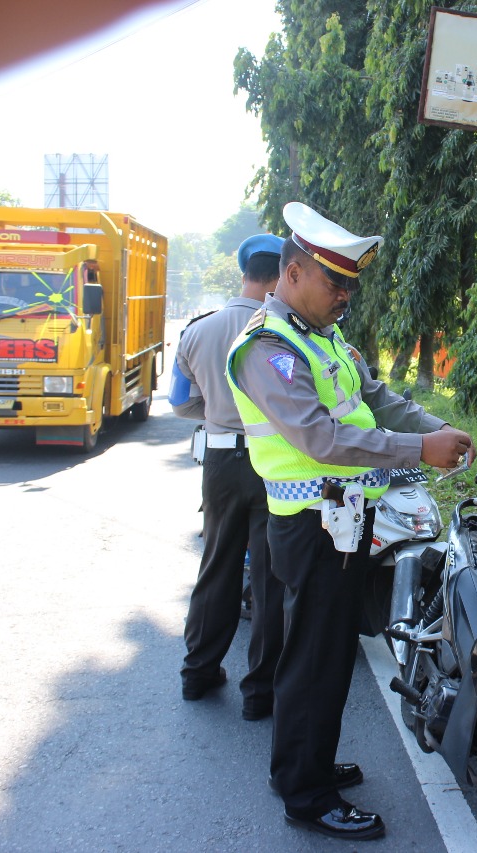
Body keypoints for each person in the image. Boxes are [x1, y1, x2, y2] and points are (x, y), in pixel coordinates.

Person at [226, 202, 476, 842]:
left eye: (348, 286)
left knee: (330, 652)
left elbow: (375, 398)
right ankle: (306, 793)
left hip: (344, 518)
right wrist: (419, 450)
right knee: (313, 656)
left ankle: (304, 764)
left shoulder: (323, 337)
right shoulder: (266, 349)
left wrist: (433, 427)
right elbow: (320, 437)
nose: (343, 296)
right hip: (310, 525)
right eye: (333, 282)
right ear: (292, 273)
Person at [174, 234, 286, 718]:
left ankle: (198, 672)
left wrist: (219, 414)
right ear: (281, 276)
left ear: (244, 272)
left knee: (217, 564)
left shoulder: (199, 331)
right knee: (269, 577)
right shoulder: (282, 331)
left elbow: (181, 403)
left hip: (220, 463)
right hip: (274, 465)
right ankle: (260, 693)